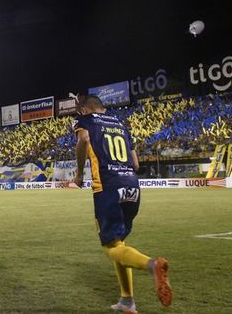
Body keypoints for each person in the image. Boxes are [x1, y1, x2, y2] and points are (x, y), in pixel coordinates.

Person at [72, 95, 172, 313]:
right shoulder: (121, 125)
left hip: (107, 186)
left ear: (87, 109)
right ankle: (127, 300)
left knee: (110, 248)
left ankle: (152, 265)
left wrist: (79, 173)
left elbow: (84, 140)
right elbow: (135, 163)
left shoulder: (85, 121)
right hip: (132, 186)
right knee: (119, 244)